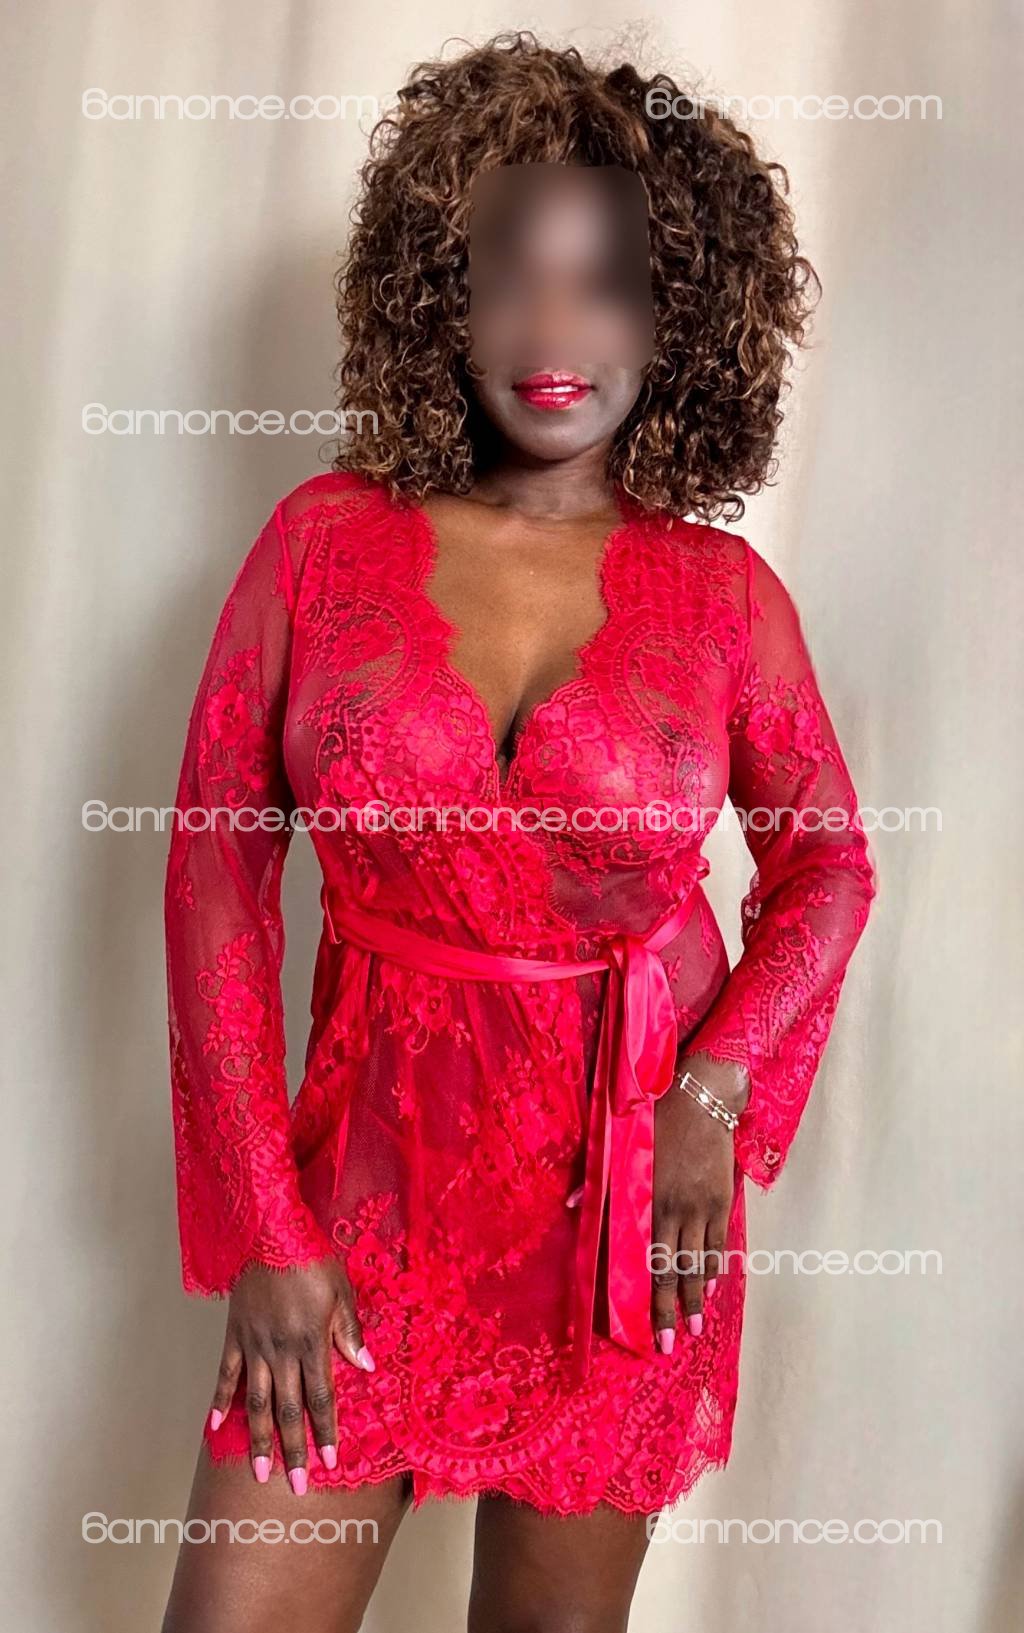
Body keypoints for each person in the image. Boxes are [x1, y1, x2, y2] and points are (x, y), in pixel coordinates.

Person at [161, 34, 875, 1633]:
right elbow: (212, 870)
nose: (555, 332)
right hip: (355, 1211)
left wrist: (714, 1092)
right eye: (509, 278)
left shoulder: (726, 598)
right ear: (441, 294)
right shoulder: (321, 544)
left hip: (621, 1221)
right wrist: (268, 1225)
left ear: (677, 313)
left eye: (605, 285)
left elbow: (830, 862)